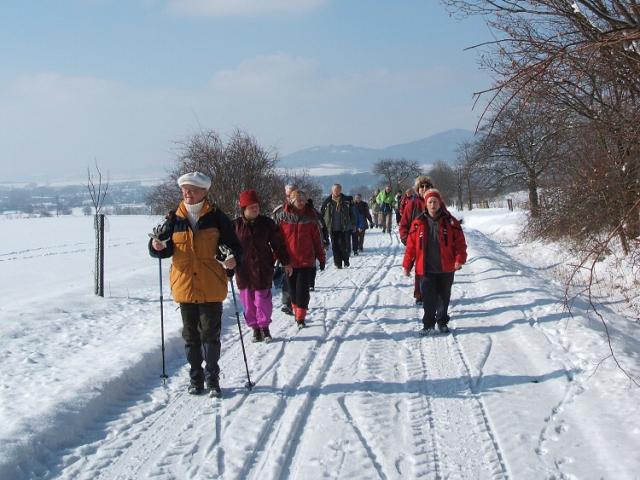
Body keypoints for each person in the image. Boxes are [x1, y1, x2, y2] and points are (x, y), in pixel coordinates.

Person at [149, 171, 242, 396]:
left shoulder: (218, 218)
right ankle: (195, 379)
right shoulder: (173, 220)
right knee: (191, 337)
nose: (187, 193)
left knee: (210, 335)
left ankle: (212, 380)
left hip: (211, 285)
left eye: (192, 189)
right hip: (185, 287)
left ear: (204, 191)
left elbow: (235, 247)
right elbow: (162, 247)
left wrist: (232, 260)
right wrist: (156, 247)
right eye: (184, 189)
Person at [402, 189, 467, 335]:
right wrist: (407, 265)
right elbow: (411, 247)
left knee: (444, 298)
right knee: (428, 300)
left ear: (440, 203)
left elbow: (460, 243)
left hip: (446, 268)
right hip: (426, 269)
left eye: (435, 202)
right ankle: (428, 325)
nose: (432, 205)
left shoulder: (451, 221)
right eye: (430, 202)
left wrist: (460, 259)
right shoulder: (418, 223)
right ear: (426, 204)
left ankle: (442, 322)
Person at [233, 189, 291, 343]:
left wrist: (286, 262)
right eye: (251, 207)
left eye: (257, 206)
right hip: (243, 271)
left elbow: (279, 244)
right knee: (248, 303)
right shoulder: (235, 226)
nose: (255, 209)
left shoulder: (267, 223)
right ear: (243, 208)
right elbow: (228, 247)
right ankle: (255, 329)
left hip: (263, 268)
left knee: (262, 300)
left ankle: (265, 328)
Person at [275, 189, 326, 328]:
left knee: (302, 289)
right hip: (288, 261)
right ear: (291, 200)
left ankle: (300, 318)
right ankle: (296, 309)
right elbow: (277, 240)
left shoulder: (310, 217)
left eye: (303, 199)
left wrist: (321, 258)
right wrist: (275, 257)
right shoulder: (283, 217)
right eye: (298, 199)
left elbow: (317, 240)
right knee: (292, 289)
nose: (301, 202)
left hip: (306, 260)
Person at [399, 175, 434, 305]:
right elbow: (404, 224)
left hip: (434, 241)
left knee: (434, 269)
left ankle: (432, 293)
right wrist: (405, 239)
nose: (424, 189)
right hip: (417, 242)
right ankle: (419, 294)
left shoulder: (436, 201)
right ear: (417, 189)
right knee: (420, 269)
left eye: (427, 186)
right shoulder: (412, 204)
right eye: (421, 187)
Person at [272, 183, 298, 315]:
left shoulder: (305, 209)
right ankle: (287, 303)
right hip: (285, 250)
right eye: (288, 195)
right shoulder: (279, 212)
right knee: (287, 276)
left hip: (301, 251)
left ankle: (299, 303)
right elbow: (273, 232)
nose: (290, 198)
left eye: (292, 194)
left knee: (299, 278)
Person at [321, 183, 356, 269]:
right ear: (332, 191)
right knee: (335, 246)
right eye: (335, 190)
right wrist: (323, 226)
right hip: (332, 228)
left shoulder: (346, 200)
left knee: (343, 245)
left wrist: (353, 223)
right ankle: (338, 263)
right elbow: (322, 214)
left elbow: (352, 213)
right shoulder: (327, 201)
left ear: (341, 190)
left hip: (343, 227)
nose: (336, 191)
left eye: (338, 190)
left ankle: (346, 260)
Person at [307, 197, 330, 291]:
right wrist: (326, 239)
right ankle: (310, 284)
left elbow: (323, 227)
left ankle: (310, 284)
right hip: (315, 242)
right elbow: (324, 228)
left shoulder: (315, 215)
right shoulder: (316, 214)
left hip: (315, 242)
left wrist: (325, 240)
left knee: (311, 264)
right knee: (311, 264)